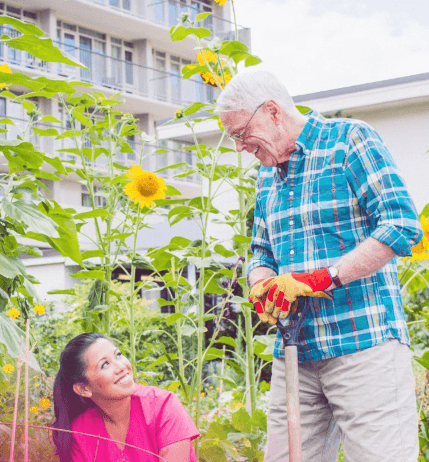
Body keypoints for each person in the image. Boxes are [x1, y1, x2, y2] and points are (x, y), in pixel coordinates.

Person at [216, 71, 422, 462]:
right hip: (296, 350)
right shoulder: (266, 176)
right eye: (234, 138)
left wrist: (324, 277)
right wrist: (261, 284)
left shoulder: (349, 140)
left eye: (241, 133)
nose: (240, 147)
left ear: (272, 111)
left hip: (363, 344)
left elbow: (401, 223)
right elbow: (261, 250)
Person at [52, 333, 199, 462]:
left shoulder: (163, 406)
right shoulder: (81, 432)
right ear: (84, 388)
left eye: (118, 355)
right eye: (105, 364)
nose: (121, 366)